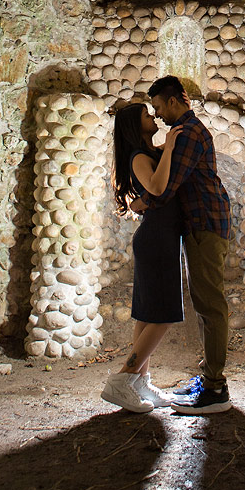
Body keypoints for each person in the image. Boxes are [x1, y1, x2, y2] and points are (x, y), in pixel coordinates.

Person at [142, 75, 233, 414]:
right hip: (201, 224)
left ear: (173, 101)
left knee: (210, 305)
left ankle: (215, 388)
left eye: (158, 106)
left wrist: (141, 203)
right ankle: (209, 379)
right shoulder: (183, 132)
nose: (157, 114)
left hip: (205, 224)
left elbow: (167, 187)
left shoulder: (190, 133)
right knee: (205, 303)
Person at [101, 100, 184, 413]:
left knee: (148, 314)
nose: (154, 116)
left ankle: (140, 381)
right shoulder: (138, 157)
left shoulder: (149, 152)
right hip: (156, 239)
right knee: (164, 316)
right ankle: (122, 379)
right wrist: (171, 146)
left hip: (161, 237)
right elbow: (158, 187)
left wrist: (166, 148)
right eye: (147, 115)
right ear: (136, 126)